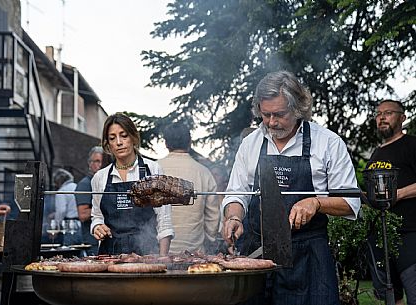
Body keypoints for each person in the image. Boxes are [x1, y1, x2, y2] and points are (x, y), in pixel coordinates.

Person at [221, 71, 360, 304]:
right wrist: (234, 217)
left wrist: (316, 202)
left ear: (298, 108)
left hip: (308, 257)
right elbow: (236, 193)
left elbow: (350, 202)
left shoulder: (327, 142)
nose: (272, 122)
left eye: (280, 114)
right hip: (258, 254)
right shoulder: (251, 143)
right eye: (266, 115)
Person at [90, 113, 174, 255]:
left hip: (147, 253)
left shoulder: (152, 170)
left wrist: (162, 258)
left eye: (124, 136)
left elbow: (164, 219)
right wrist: (97, 226)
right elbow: (97, 215)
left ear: (133, 138)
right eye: (112, 138)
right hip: (109, 255)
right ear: (108, 144)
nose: (119, 142)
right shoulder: (100, 177)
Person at [366, 99, 416, 305]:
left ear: (402, 118)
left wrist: (400, 193)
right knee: (390, 296)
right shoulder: (376, 153)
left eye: (388, 113)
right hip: (381, 235)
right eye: (378, 114)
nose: (382, 117)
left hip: (410, 233)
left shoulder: (412, 145)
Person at [158, 121, 220, 254]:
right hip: (194, 254)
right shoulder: (203, 172)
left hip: (158, 253)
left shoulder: (154, 169)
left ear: (166, 143)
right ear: (189, 142)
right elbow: (213, 218)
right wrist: (210, 239)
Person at [74, 146, 104, 255]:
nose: (99, 165)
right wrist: (108, 207)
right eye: (96, 161)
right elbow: (82, 214)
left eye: (101, 161)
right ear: (89, 164)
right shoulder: (85, 184)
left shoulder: (105, 182)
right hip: (93, 240)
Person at [53, 168, 82, 246]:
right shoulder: (78, 187)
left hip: (69, 225)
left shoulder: (61, 191)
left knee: (69, 251)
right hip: (81, 224)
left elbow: (61, 211)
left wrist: (56, 226)